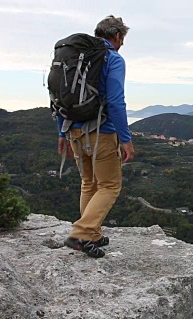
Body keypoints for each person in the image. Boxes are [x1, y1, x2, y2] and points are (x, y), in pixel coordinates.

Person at [57, 15, 135, 258]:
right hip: (102, 133)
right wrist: (125, 138)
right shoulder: (112, 58)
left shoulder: (76, 59)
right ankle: (82, 232)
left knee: (89, 183)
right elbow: (115, 101)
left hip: (75, 131)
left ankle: (93, 234)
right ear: (118, 36)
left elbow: (60, 96)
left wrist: (63, 131)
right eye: (123, 39)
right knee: (110, 185)